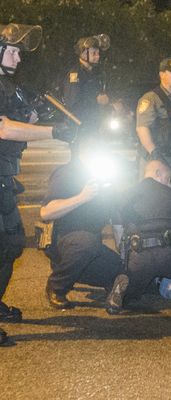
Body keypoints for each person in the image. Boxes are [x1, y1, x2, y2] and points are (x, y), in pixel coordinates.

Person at [0, 23, 74, 345]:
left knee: (12, 244)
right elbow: (3, 129)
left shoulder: (8, 86)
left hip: (4, 177)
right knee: (4, 244)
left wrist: (37, 110)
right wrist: (52, 132)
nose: (18, 57)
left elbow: (21, 117)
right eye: (13, 50)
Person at [106, 159, 171, 314]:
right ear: (157, 173)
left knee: (131, 287)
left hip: (139, 256)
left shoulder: (126, 194)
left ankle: (122, 286)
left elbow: (117, 230)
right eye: (167, 179)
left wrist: (125, 258)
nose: (169, 185)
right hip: (169, 255)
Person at [40, 138, 124, 309]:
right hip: (65, 240)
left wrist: (124, 254)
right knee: (85, 243)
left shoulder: (105, 180)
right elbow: (46, 212)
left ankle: (75, 273)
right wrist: (82, 197)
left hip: (90, 247)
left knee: (123, 270)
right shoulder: (67, 173)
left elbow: (117, 220)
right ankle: (57, 286)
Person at [136, 57, 171, 184]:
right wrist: (154, 153)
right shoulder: (151, 98)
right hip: (157, 159)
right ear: (162, 75)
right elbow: (142, 128)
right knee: (153, 198)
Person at [63, 33, 110, 145]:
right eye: (94, 53)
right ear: (84, 54)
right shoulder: (75, 75)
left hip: (93, 127)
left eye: (98, 53)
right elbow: (72, 102)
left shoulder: (95, 74)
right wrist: (96, 100)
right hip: (79, 128)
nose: (97, 56)